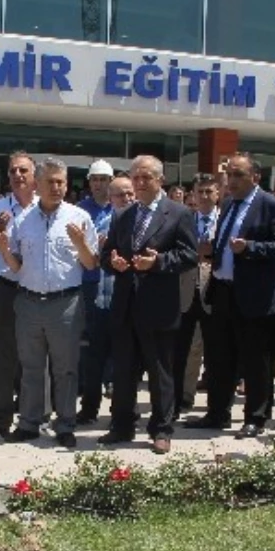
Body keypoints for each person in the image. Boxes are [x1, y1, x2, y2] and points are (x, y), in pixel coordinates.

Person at [0, 158, 97, 449]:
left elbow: (90, 264)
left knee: (65, 368)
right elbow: (16, 266)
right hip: (28, 302)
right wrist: (4, 250)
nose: (57, 187)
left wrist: (80, 243)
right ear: (37, 185)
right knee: (30, 366)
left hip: (65, 303)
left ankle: (65, 423)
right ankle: (29, 423)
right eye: (50, 182)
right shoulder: (23, 219)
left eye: (61, 182)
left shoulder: (79, 217)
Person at [189, 152, 275, 438]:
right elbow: (226, 242)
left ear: (255, 177)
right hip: (222, 290)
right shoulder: (229, 204)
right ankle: (217, 412)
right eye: (228, 175)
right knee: (220, 357)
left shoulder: (269, 205)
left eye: (237, 175)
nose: (230, 181)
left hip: (254, 296)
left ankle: (256, 417)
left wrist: (250, 248)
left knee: (255, 360)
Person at [99, 155, 197, 454]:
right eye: (135, 178)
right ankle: (122, 425)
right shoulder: (124, 215)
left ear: (160, 180)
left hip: (158, 307)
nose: (139, 183)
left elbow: (189, 255)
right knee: (124, 371)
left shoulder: (178, 213)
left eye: (146, 178)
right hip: (126, 306)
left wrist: (158, 262)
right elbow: (107, 257)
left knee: (160, 373)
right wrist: (113, 262)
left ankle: (162, 429)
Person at [0, 151, 38, 439]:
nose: (18, 175)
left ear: (34, 177)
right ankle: (0, 421)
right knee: (5, 356)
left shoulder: (44, 208)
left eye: (23, 171)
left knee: (34, 357)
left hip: (34, 288)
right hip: (5, 287)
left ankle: (33, 416)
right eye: (13, 171)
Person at [78, 175, 133, 424]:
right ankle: (89, 409)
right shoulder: (98, 220)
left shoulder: (142, 221)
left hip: (129, 303)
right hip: (100, 298)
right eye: (120, 195)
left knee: (124, 363)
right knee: (94, 358)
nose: (127, 199)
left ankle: (121, 414)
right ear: (110, 199)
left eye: (129, 193)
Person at [173, 172, 220, 418]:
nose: (204, 196)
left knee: (216, 351)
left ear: (217, 194)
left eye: (209, 191)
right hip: (185, 292)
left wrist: (212, 254)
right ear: (193, 194)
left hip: (216, 293)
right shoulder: (183, 219)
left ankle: (217, 403)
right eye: (200, 191)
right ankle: (183, 398)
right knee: (185, 350)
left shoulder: (225, 220)